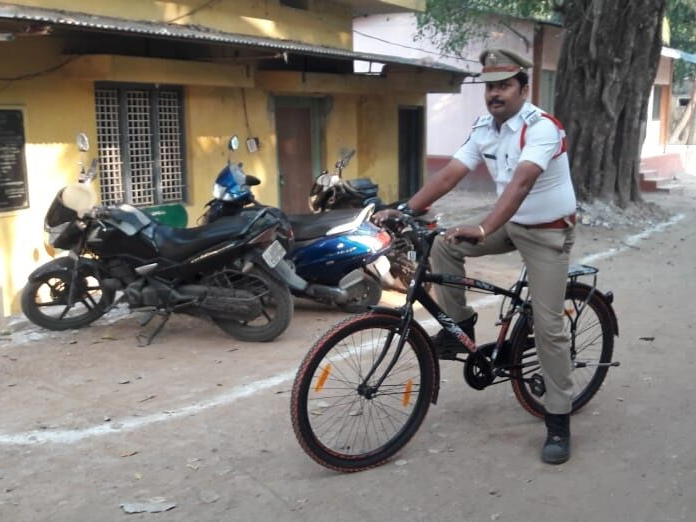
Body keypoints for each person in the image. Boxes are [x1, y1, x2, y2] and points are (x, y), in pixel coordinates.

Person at [373, 48, 577, 465]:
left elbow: (520, 185)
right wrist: (406, 210)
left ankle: (558, 416)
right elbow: (450, 174)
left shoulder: (542, 129)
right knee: (446, 243)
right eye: (489, 87)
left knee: (549, 325)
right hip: (511, 224)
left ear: (524, 87)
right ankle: (459, 324)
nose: (495, 94)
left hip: (547, 232)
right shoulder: (485, 127)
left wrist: (483, 229)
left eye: (504, 85)